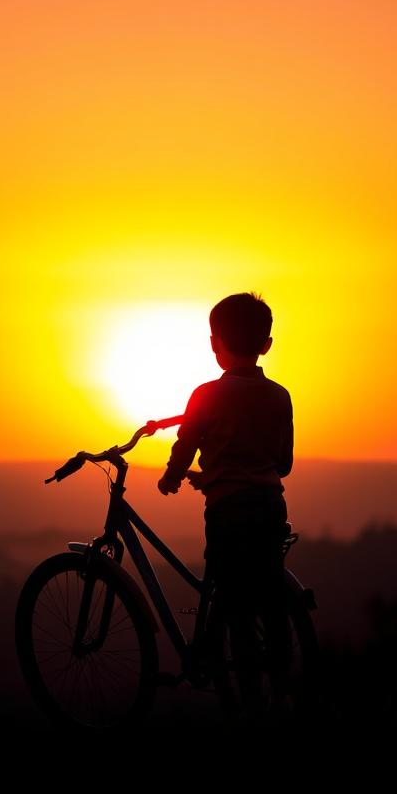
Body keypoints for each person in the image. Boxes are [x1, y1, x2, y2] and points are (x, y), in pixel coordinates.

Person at [156, 292, 294, 722]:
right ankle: (286, 686)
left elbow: (186, 444)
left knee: (234, 600)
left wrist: (173, 477)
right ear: (266, 344)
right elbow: (283, 463)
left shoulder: (206, 394)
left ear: (215, 343)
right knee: (270, 595)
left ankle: (248, 702)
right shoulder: (279, 395)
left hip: (227, 512)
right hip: (269, 507)